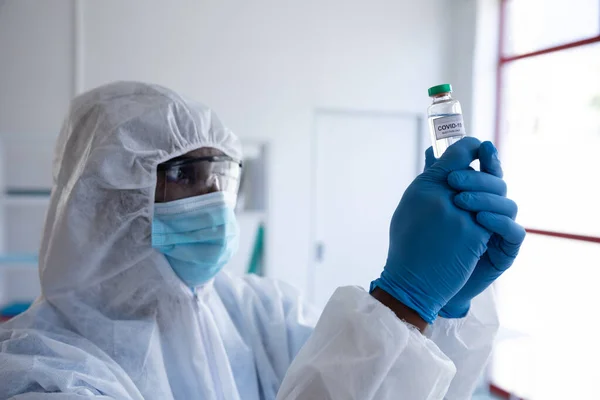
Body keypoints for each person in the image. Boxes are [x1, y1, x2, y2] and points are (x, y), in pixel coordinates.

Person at [0, 81, 525, 399]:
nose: (209, 194)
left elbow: (392, 386)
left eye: (219, 174)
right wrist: (399, 305)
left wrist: (443, 314)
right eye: (183, 172)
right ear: (106, 197)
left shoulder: (254, 311)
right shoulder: (44, 373)